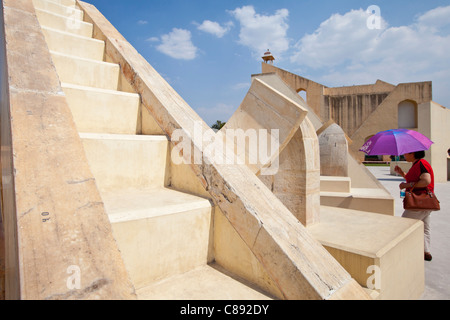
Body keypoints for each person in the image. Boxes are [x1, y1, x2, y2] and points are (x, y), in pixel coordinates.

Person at [394, 151, 434, 261]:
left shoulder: (422, 164)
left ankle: (402, 252)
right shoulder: (417, 164)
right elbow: (415, 180)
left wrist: (405, 185)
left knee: (404, 225)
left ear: (413, 153)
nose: (404, 155)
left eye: (406, 153)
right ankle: (426, 252)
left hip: (419, 202)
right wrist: (402, 173)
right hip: (424, 203)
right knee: (425, 227)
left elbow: (426, 180)